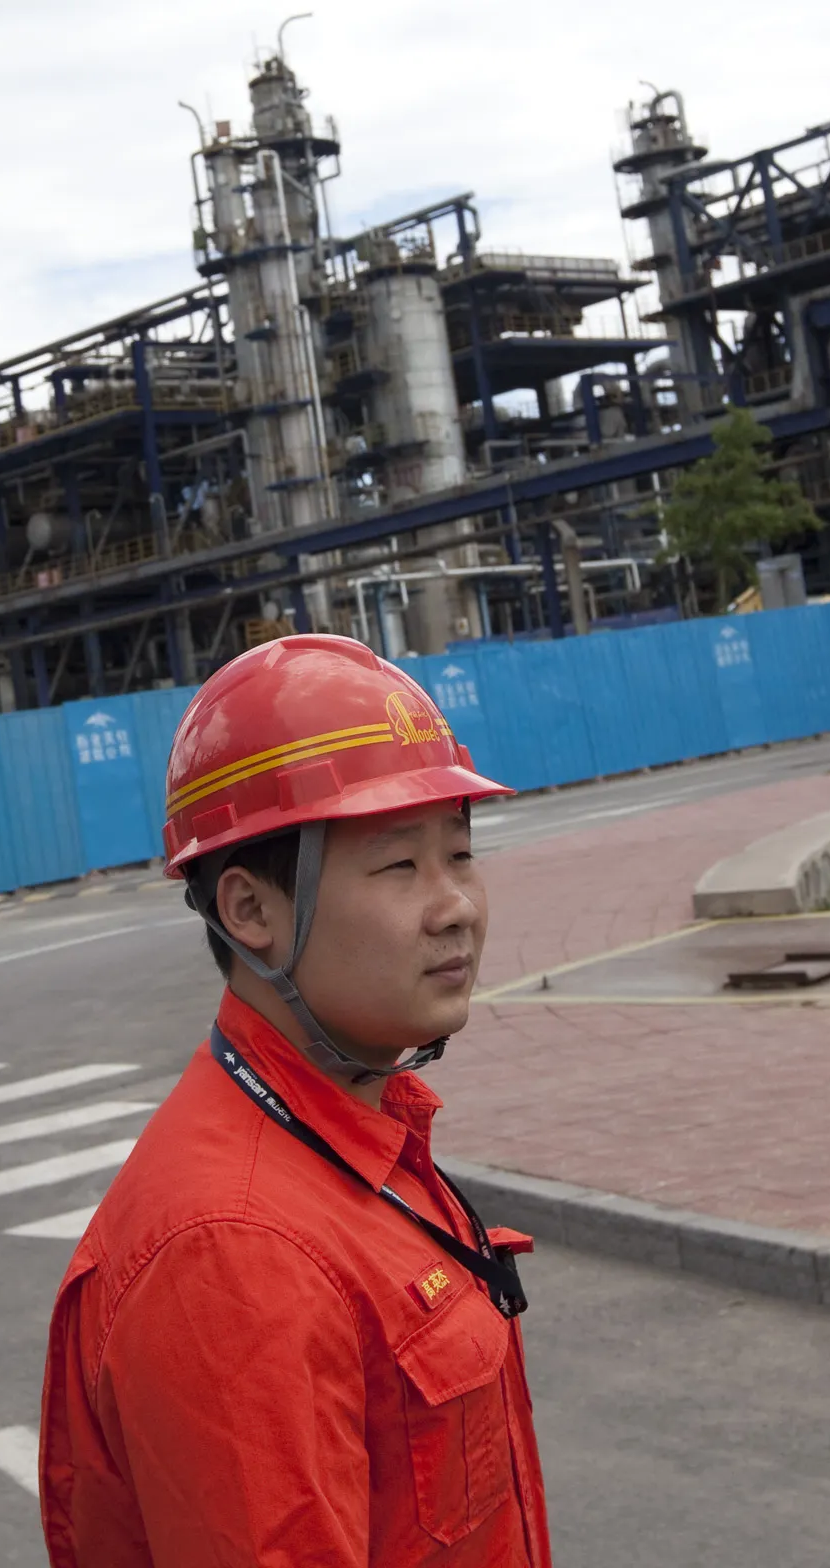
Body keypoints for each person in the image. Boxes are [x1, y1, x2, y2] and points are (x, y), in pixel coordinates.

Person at [38, 634, 551, 1567]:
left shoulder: (360, 1129)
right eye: (400, 867)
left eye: (461, 854)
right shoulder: (236, 1254)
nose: (457, 906)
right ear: (250, 911)